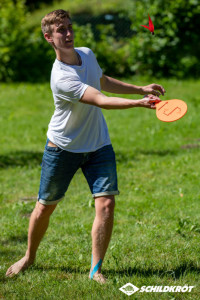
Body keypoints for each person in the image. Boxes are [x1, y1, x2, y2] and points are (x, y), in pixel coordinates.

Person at [6, 9, 165, 283]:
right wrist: (139, 104)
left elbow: (101, 80)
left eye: (69, 27)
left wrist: (139, 89)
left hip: (97, 144)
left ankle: (96, 269)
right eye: (60, 31)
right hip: (63, 148)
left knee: (106, 204)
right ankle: (29, 256)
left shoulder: (88, 54)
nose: (68, 34)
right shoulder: (61, 77)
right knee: (45, 206)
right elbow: (99, 98)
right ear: (49, 38)